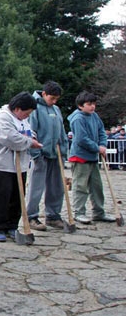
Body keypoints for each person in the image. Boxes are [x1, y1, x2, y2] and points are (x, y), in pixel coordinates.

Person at [0, 92, 42, 242]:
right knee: (2, 196)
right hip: (2, 164)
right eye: (27, 112)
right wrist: (30, 142)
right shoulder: (3, 117)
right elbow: (10, 138)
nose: (27, 116)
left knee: (18, 196)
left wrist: (33, 138)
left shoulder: (23, 120)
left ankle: (12, 225)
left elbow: (29, 132)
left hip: (20, 164)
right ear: (18, 109)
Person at [25, 81, 69, 231]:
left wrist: (63, 151)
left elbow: (62, 131)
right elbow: (31, 131)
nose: (54, 102)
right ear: (44, 94)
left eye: (57, 99)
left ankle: (53, 215)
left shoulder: (56, 110)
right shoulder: (34, 108)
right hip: (41, 154)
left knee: (57, 186)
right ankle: (31, 216)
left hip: (56, 154)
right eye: (52, 98)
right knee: (36, 187)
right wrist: (36, 153)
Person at [67, 91, 116, 224]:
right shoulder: (78, 119)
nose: (92, 107)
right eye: (89, 104)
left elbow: (101, 131)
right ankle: (79, 212)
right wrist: (97, 147)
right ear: (81, 106)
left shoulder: (94, 116)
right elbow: (82, 139)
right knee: (80, 186)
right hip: (80, 156)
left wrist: (102, 145)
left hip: (93, 157)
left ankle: (99, 212)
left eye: (94, 104)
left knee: (96, 186)